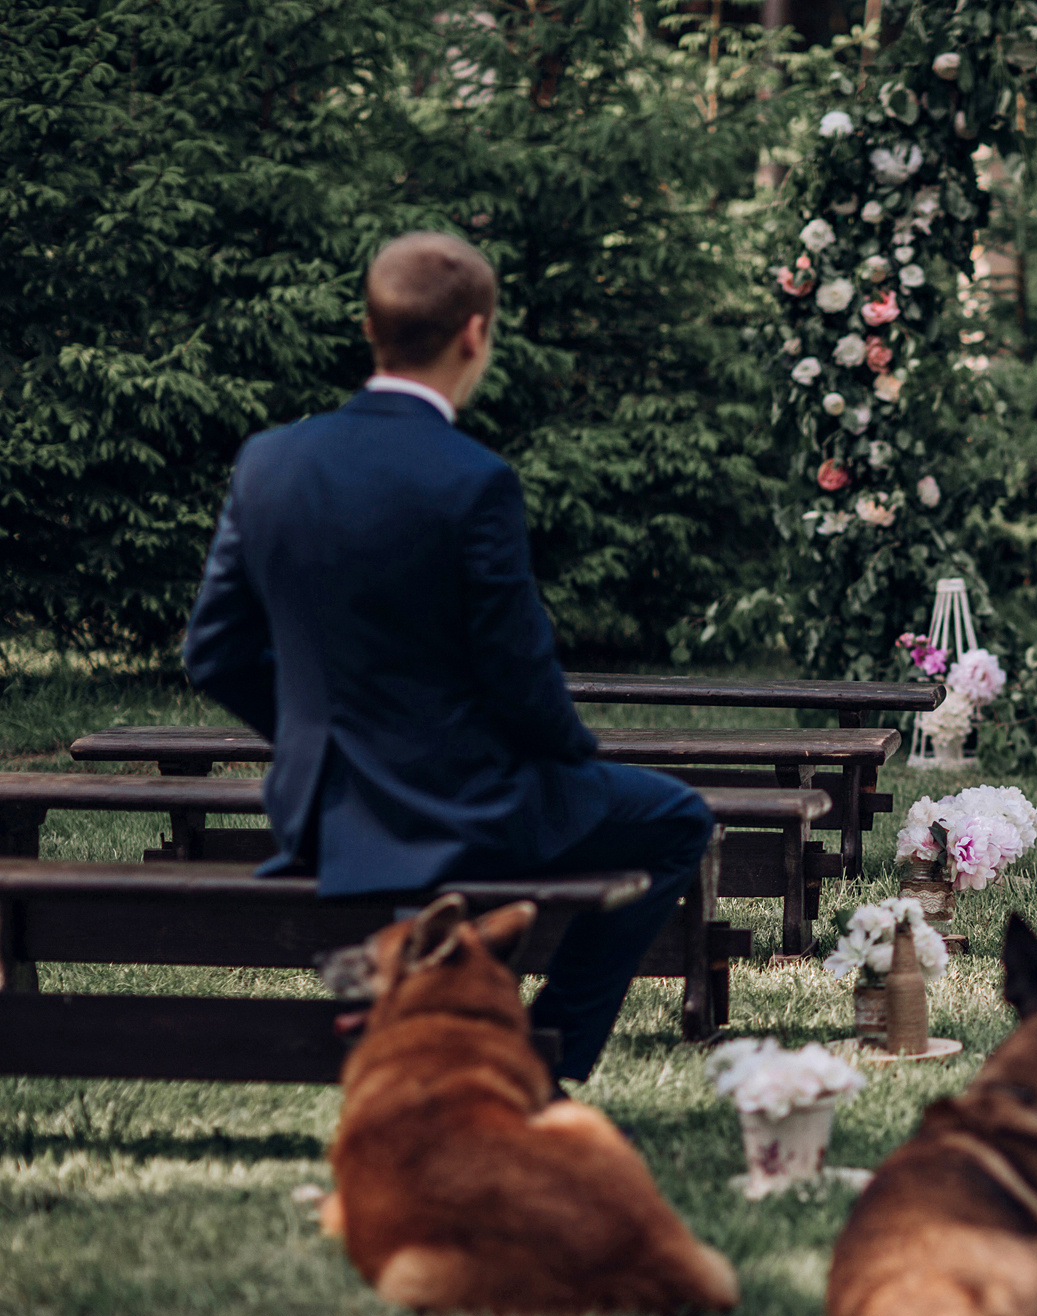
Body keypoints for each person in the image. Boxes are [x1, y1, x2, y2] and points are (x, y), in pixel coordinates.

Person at [183, 231, 713, 1084]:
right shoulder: (472, 479)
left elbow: (214, 652)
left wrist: (325, 745)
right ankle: (545, 1056)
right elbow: (518, 673)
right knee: (678, 818)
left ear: (369, 328)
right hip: (461, 812)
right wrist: (572, 753)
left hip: (322, 818)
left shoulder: (269, 460)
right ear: (475, 334)